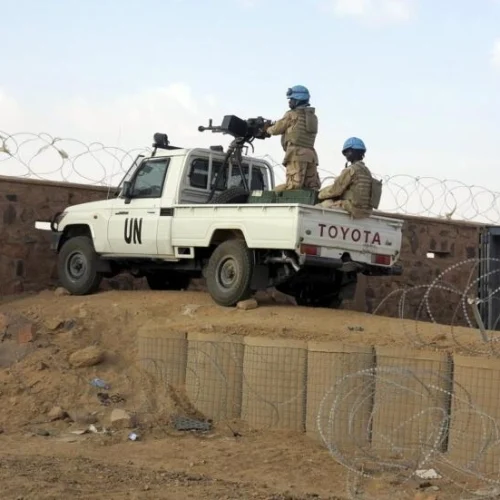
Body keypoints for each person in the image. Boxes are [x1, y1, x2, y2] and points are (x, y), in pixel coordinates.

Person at [264, 85, 320, 192]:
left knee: (293, 188)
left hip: (296, 155)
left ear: (298, 100)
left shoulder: (292, 115)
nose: (289, 102)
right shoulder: (313, 117)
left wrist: (266, 129)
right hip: (311, 156)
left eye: (292, 99)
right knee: (311, 188)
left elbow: (276, 129)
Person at [316, 137, 380, 219]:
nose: (346, 154)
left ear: (353, 152)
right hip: (366, 212)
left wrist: (319, 194)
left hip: (353, 209)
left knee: (319, 207)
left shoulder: (351, 170)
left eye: (347, 152)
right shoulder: (367, 171)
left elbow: (335, 191)